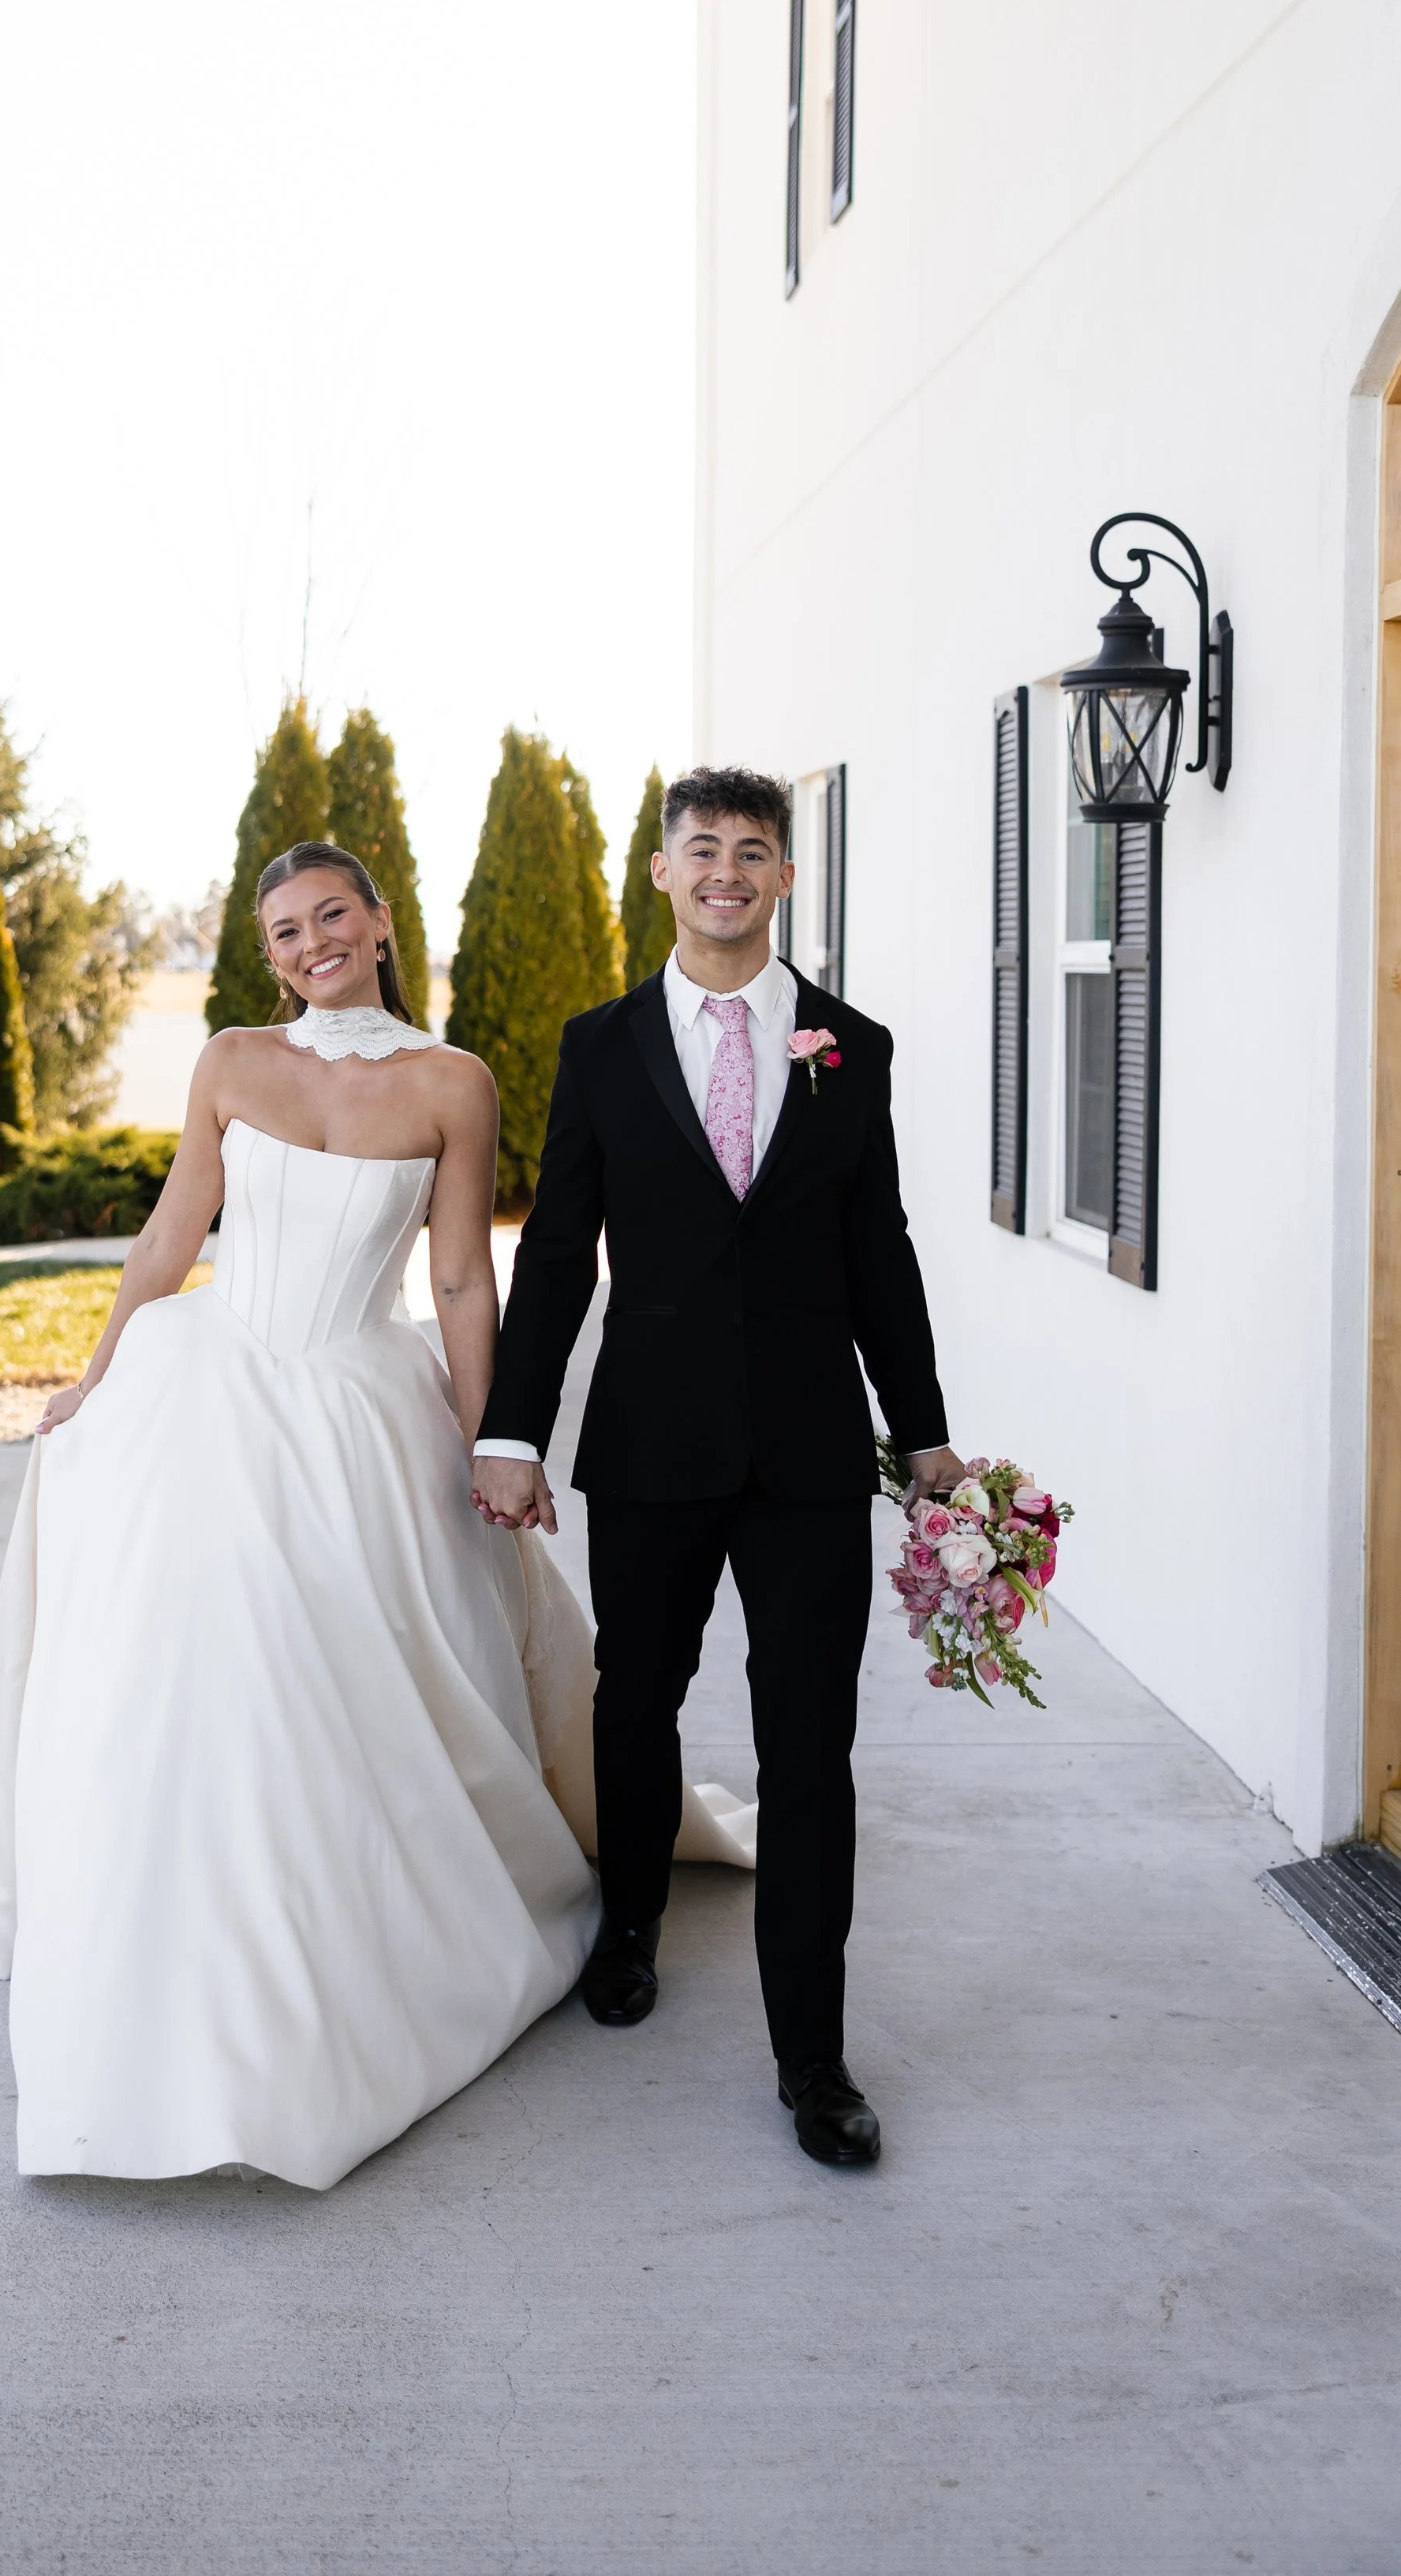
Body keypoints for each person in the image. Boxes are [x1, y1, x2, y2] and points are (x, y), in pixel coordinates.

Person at [0, 841, 749, 2190]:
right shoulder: (235, 1061)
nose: (312, 944)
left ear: (380, 921)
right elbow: (170, 1235)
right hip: (208, 1386)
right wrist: (97, 1375)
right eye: (285, 931)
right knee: (189, 1646)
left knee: (350, 1653)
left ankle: (345, 1921)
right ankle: (165, 1914)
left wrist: (493, 1440)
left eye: (331, 915)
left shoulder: (454, 1082)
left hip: (362, 1396)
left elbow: (462, 1281)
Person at [471, 767, 964, 2171]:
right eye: (704, 849)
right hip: (651, 1442)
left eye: (754, 850)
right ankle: (630, 1923)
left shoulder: (850, 1047)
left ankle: (814, 2056)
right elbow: (556, 1252)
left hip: (810, 1452)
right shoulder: (600, 1045)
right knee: (637, 1702)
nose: (728, 871)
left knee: (811, 1746)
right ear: (662, 871)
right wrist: (512, 1429)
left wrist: (923, 1431)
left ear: (785, 876)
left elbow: (880, 1250)